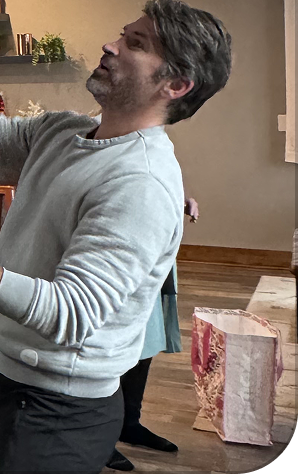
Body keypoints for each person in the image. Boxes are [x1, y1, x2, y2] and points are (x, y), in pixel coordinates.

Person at [0, 0, 232, 474]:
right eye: (122, 34)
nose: (110, 45)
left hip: (60, 411)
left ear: (175, 84)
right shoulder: (63, 132)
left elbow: (70, 313)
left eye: (135, 42)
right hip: (17, 384)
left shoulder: (140, 183)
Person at [106, 195, 198, 471]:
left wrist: (179, 199)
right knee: (110, 350)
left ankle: (129, 424)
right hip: (113, 251)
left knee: (143, 343)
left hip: (148, 246)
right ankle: (100, 438)